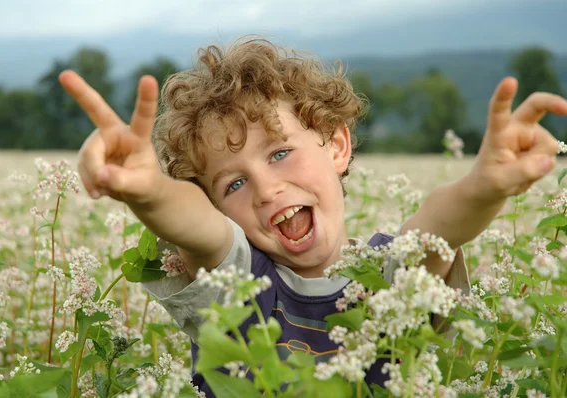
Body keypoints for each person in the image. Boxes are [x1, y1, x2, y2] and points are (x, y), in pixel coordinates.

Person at [59, 37, 566, 395]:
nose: (266, 187)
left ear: (337, 145)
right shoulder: (238, 285)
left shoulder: (384, 282)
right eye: (232, 184)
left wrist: (483, 186)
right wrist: (148, 192)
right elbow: (192, 223)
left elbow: (436, 228)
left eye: (280, 153)